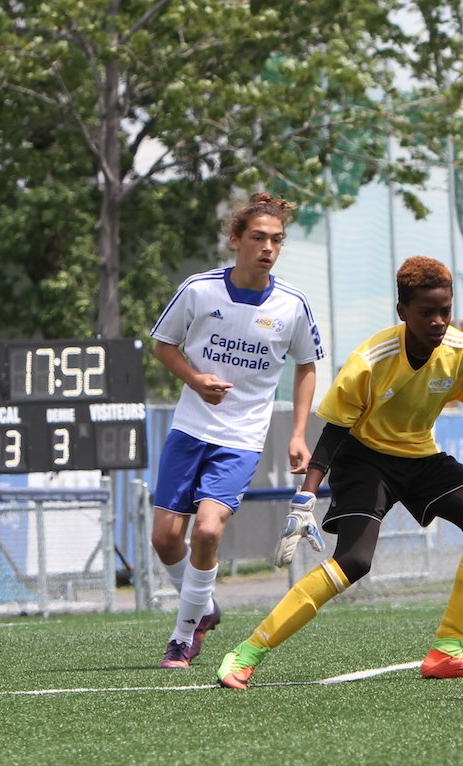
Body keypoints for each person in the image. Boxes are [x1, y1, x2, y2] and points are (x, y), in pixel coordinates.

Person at [216, 255, 463, 689]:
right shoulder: (370, 360)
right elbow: (334, 433)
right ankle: (246, 653)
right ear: (402, 312)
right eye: (426, 312)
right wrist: (306, 497)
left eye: (445, 311)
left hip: (421, 456)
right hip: (364, 458)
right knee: (354, 561)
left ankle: (447, 651)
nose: (438, 321)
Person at [151, 192, 325, 669]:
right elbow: (163, 344)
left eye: (277, 240)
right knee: (165, 539)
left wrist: (297, 434)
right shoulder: (199, 289)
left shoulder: (292, 304)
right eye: (258, 238)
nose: (268, 247)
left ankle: (183, 636)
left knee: (207, 530)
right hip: (189, 429)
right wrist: (195, 379)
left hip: (242, 438)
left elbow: (308, 366)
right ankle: (203, 607)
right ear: (235, 240)